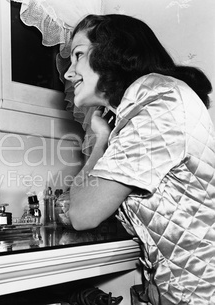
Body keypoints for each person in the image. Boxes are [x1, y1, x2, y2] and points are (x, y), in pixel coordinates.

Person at [64, 14, 215, 305]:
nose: (69, 73)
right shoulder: (149, 102)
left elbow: (82, 213)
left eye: (78, 55)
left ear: (113, 51)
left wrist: (99, 140)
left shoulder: (156, 98)